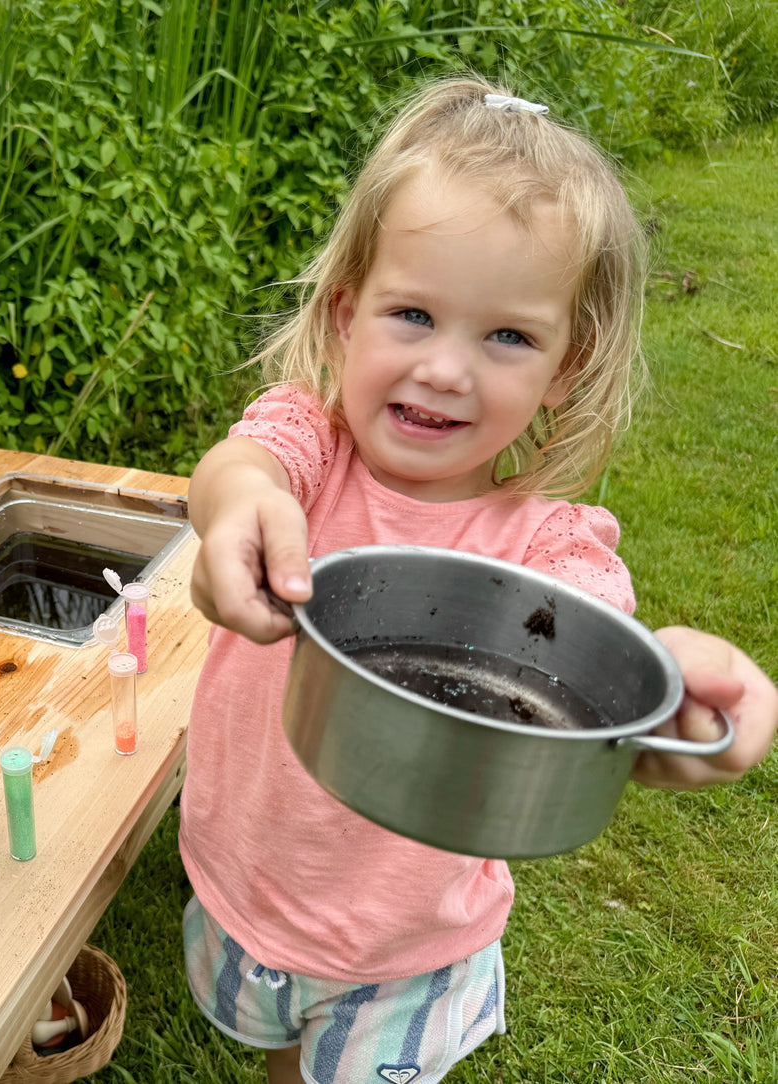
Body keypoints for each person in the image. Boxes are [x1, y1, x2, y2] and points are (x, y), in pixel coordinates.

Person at [179, 75, 777, 1084]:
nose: (446, 370)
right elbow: (237, 469)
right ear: (342, 317)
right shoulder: (305, 450)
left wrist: (667, 684)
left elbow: (590, 650)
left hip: (406, 944)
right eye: (410, 314)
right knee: (280, 1056)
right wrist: (235, 511)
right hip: (249, 878)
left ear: (563, 365)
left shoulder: (542, 549)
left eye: (506, 335)